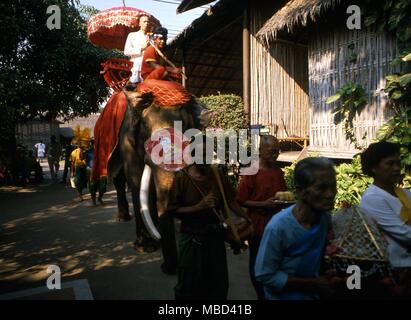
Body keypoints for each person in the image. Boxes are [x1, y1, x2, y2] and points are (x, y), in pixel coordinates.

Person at [166, 135, 250, 299]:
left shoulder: (216, 174)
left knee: (217, 283)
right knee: (189, 283)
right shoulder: (182, 178)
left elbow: (230, 201)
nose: (206, 158)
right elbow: (173, 210)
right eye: (201, 154)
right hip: (191, 238)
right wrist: (198, 207)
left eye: (208, 154)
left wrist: (245, 217)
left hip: (215, 238)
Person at [255, 157, 343, 300]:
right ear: (301, 191)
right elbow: (265, 275)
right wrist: (314, 283)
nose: (330, 194)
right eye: (321, 188)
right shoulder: (278, 227)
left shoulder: (325, 219)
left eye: (333, 186)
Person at [236, 135, 287, 299]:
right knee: (257, 262)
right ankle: (261, 294)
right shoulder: (252, 171)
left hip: (276, 225)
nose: (275, 155)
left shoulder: (278, 172)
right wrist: (263, 204)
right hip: (257, 225)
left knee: (275, 261)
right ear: (260, 151)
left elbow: (282, 195)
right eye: (271, 152)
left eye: (277, 152)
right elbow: (240, 200)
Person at [359, 141, 411, 296]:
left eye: (398, 163)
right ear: (374, 167)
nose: (396, 168)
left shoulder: (404, 193)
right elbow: (404, 234)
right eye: (390, 163)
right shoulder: (373, 198)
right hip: (397, 269)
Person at [124, 14, 151, 84]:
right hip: (135, 66)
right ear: (139, 23)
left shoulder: (151, 37)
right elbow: (126, 51)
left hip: (149, 67)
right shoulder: (132, 35)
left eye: (148, 22)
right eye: (144, 21)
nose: (146, 23)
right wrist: (142, 48)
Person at [86, 140, 106, 206]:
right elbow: (82, 158)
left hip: (101, 170)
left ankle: (99, 198)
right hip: (91, 170)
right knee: (92, 187)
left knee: (102, 187)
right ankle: (94, 201)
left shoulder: (102, 151)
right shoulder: (88, 152)